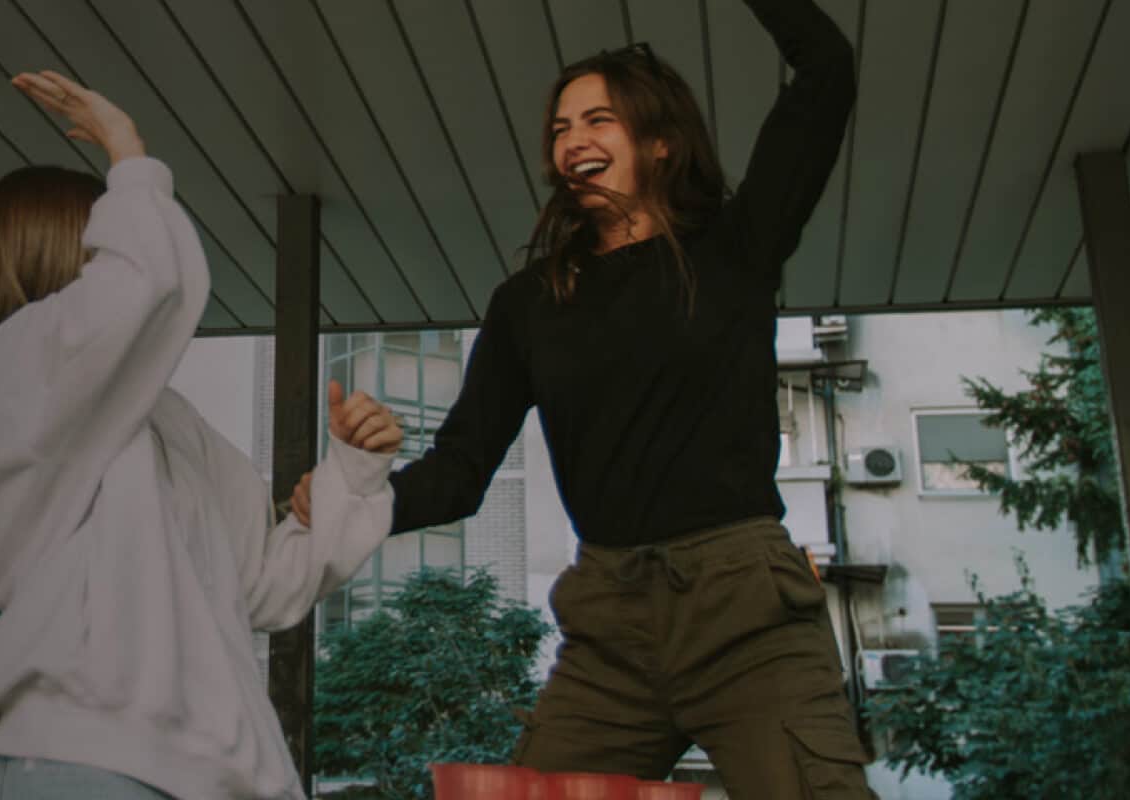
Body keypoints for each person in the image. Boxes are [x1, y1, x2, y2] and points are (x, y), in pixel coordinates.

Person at [293, 1, 872, 795]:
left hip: (748, 616)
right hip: (610, 627)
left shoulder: (737, 247)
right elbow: (461, 471)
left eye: (599, 120)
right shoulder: (528, 303)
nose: (572, 141)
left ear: (661, 141)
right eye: (561, 129)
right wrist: (352, 498)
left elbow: (827, 70)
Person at [0, 70, 404, 799]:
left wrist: (351, 472)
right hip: (84, 753)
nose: (113, 249)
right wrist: (128, 155)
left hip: (193, 768)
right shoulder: (3, 376)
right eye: (100, 237)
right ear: (56, 250)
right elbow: (151, 281)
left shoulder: (164, 419)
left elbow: (264, 587)